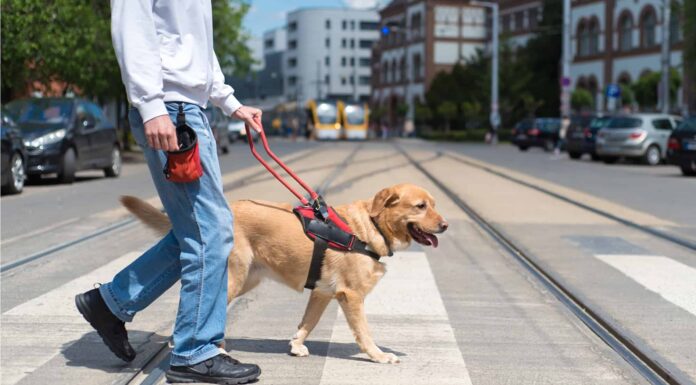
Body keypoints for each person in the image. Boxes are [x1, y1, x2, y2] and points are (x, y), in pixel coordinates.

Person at [74, 1, 262, 384]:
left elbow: (194, 43)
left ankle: (111, 303)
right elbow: (132, 26)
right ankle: (195, 351)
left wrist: (229, 102)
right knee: (212, 232)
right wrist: (151, 104)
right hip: (171, 110)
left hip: (188, 109)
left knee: (201, 230)